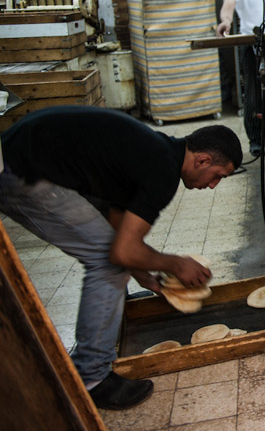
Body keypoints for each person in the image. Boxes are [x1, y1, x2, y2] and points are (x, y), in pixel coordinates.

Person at [0, 105, 242, 410]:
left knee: (115, 257)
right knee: (108, 263)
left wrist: (145, 275)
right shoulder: (161, 171)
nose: (212, 185)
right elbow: (122, 251)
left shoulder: (155, 151)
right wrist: (176, 263)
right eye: (217, 176)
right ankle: (92, 378)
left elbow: (117, 222)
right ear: (202, 160)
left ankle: (110, 315)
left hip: (23, 153)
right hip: (23, 171)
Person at [216, 0, 265, 158]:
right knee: (252, 94)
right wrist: (225, 22)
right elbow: (228, 6)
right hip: (251, 42)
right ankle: (256, 142)